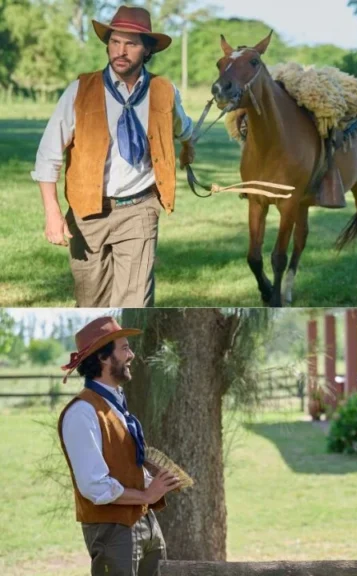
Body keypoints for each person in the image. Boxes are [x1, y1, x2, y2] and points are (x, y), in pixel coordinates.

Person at [31, 5, 195, 307]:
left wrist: (188, 143)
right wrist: (53, 214)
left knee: (135, 303)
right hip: (86, 213)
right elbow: (48, 155)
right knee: (91, 303)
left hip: (139, 208)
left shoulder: (163, 90)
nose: (121, 51)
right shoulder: (80, 90)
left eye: (131, 44)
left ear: (147, 50)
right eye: (115, 42)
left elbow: (182, 126)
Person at [58, 316, 181, 576]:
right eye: (124, 348)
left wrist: (153, 479)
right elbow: (94, 485)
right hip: (112, 531)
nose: (132, 355)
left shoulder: (116, 405)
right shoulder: (82, 412)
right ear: (103, 358)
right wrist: (147, 496)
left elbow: (122, 463)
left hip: (146, 523)